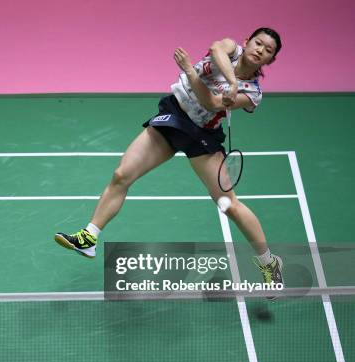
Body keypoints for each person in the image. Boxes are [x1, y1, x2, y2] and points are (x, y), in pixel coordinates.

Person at [55, 27, 284, 287]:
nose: (260, 50)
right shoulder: (231, 48)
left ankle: (269, 262)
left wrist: (190, 70)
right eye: (258, 43)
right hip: (175, 116)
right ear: (247, 42)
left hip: (202, 135)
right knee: (122, 175)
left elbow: (212, 103)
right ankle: (89, 237)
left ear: (270, 61)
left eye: (268, 51)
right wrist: (231, 82)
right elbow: (218, 48)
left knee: (229, 204)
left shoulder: (252, 92)